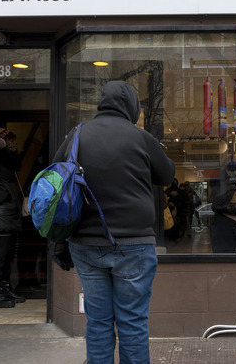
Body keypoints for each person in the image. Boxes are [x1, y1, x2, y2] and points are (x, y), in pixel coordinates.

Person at [52, 81, 175, 364]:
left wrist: (58, 242)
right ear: (132, 107)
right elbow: (166, 175)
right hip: (133, 246)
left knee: (98, 322)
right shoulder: (141, 138)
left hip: (85, 245)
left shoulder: (77, 135)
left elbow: (56, 182)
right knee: (132, 323)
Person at [0, 128, 26, 308]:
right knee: (0, 257)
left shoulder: (9, 163)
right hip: (1, 216)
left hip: (10, 215)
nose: (13, 144)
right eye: (9, 141)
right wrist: (7, 196)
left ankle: (5, 287)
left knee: (7, 257)